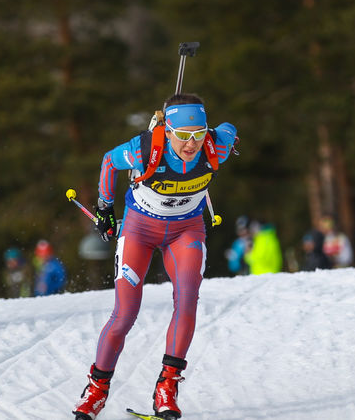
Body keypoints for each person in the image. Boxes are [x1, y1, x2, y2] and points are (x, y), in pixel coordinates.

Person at [73, 93, 237, 420]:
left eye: (199, 133)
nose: (191, 143)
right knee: (125, 314)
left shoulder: (215, 145)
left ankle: (167, 386)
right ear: (169, 130)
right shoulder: (147, 147)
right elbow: (109, 161)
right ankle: (96, 390)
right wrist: (105, 209)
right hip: (139, 231)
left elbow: (230, 128)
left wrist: (224, 132)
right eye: (183, 135)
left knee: (187, 299)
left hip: (186, 231)